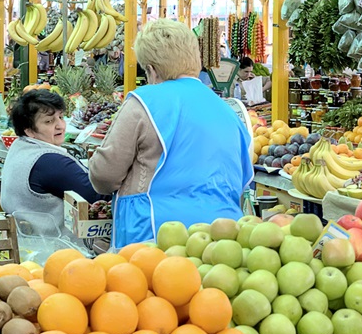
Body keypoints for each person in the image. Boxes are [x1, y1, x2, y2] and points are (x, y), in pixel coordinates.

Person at [89, 20, 252, 248]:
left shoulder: (144, 102)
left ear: (152, 70)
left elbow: (105, 175)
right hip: (223, 237)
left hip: (155, 234)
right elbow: (244, 178)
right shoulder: (228, 110)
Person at [0, 89, 102, 234]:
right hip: (55, 248)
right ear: (29, 130)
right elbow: (97, 193)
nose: (60, 125)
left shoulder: (20, 146)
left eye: (61, 117)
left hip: (26, 242)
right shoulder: (49, 162)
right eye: (49, 121)